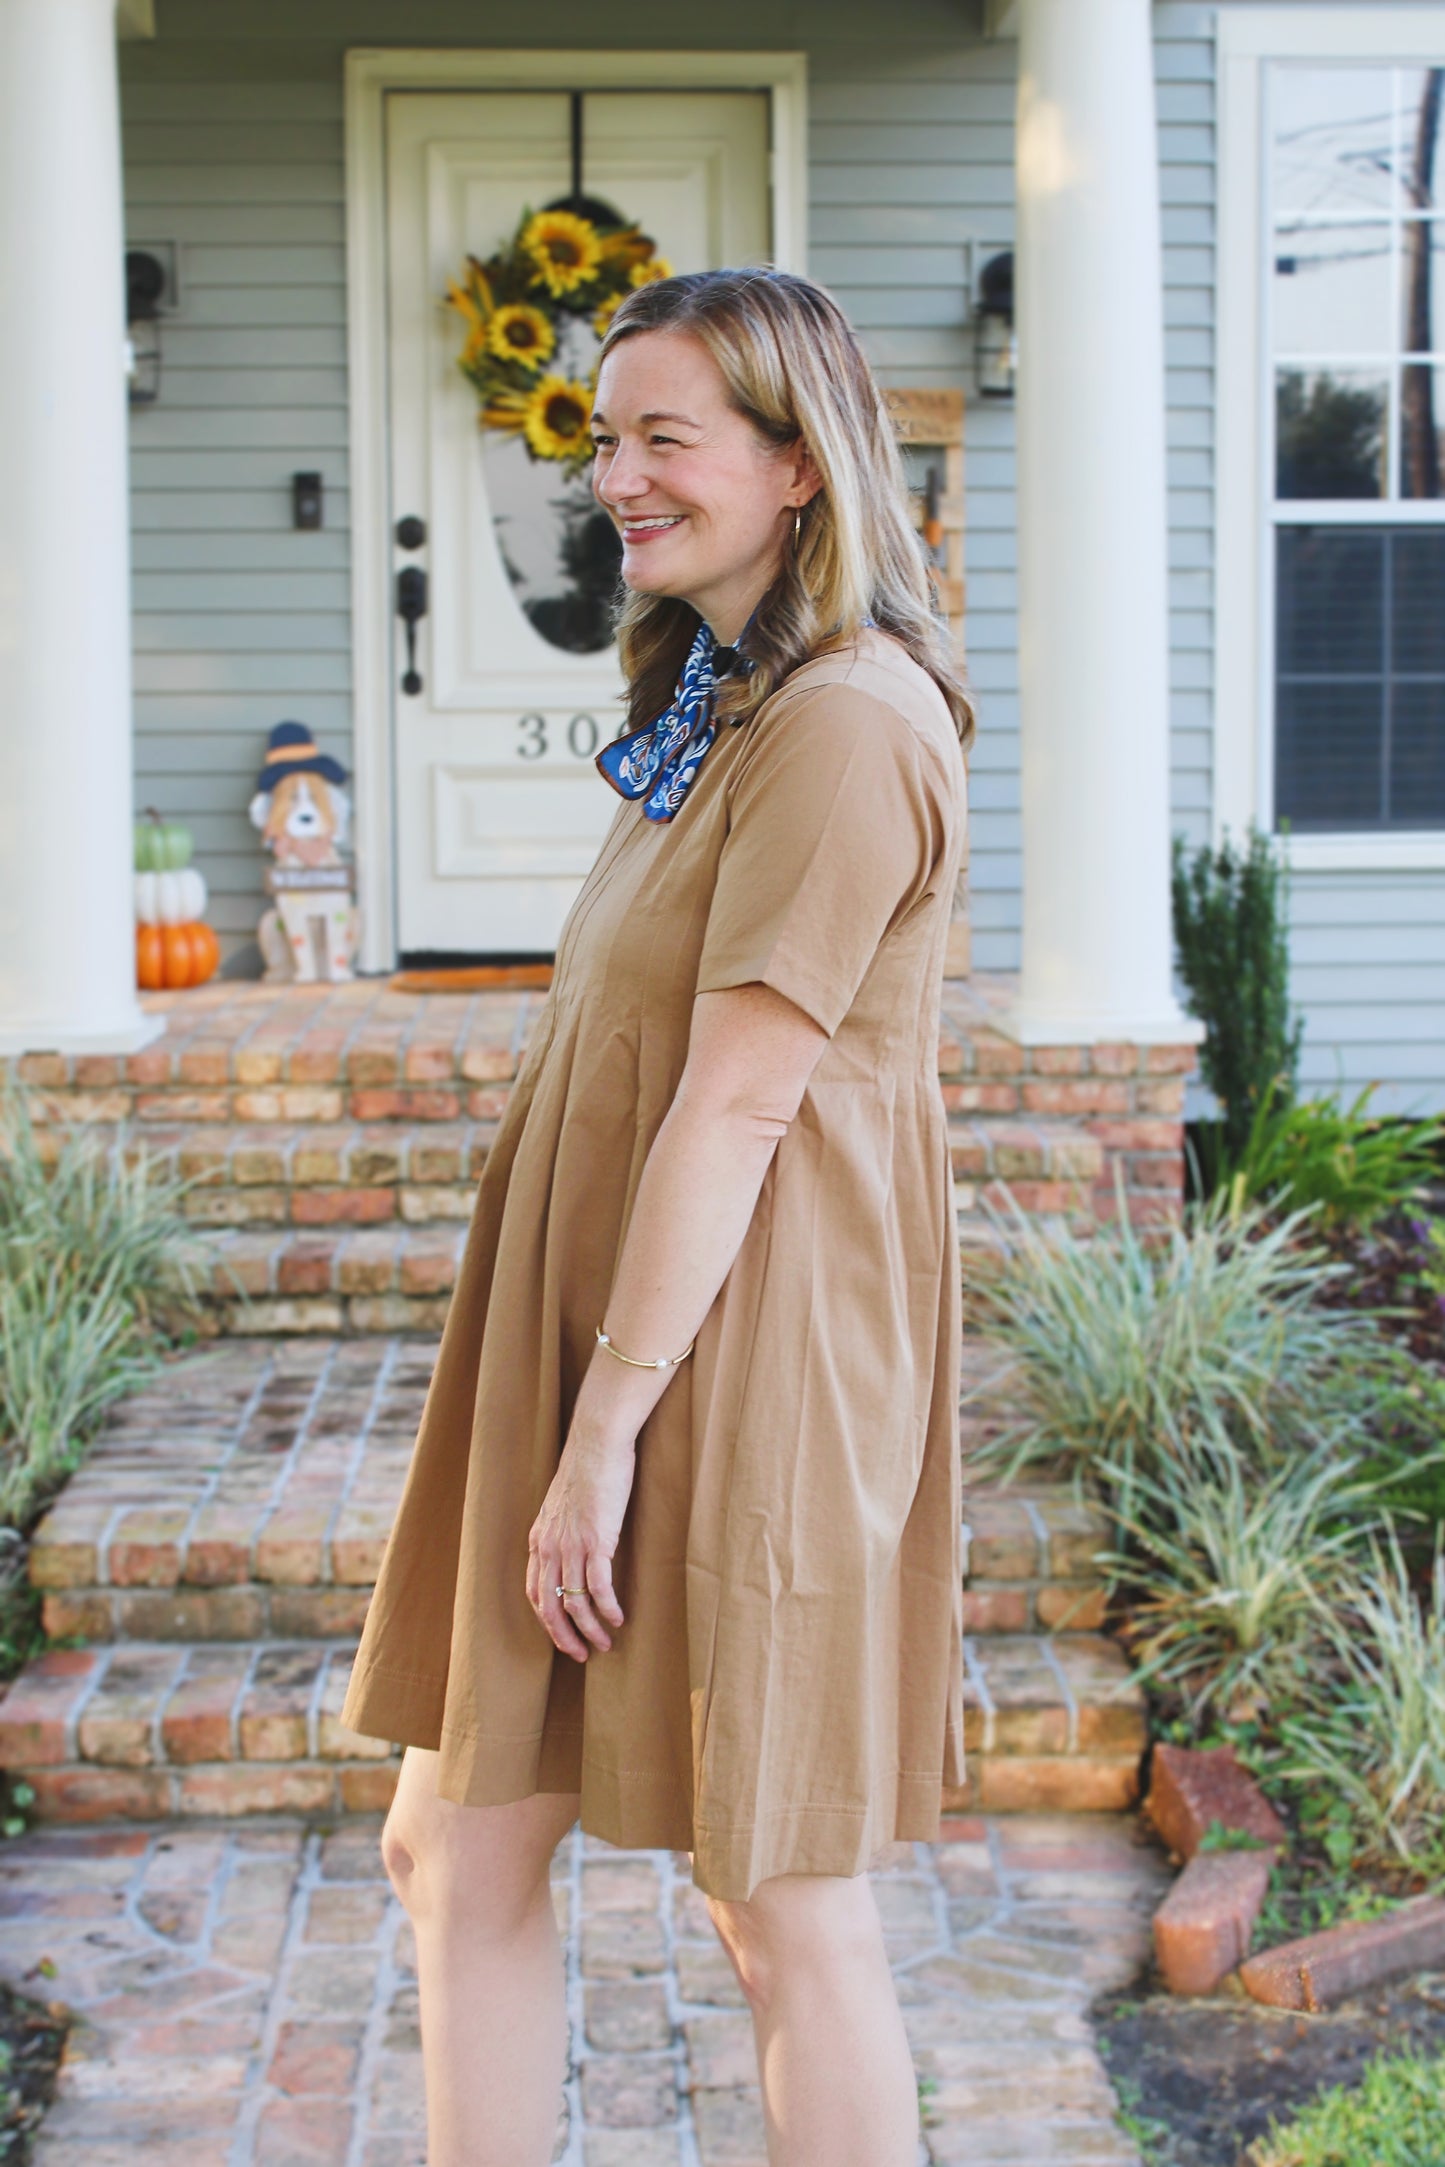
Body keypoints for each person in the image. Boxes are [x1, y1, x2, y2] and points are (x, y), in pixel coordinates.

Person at [340, 267, 975, 2167]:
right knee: (450, 1843)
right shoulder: (716, 697)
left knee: (773, 1897)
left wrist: (596, 1437)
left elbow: (744, 1095)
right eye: (603, 437)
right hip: (613, 1312)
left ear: (795, 465)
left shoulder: (847, 724)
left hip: (736, 1346)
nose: (613, 475)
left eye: (661, 436)